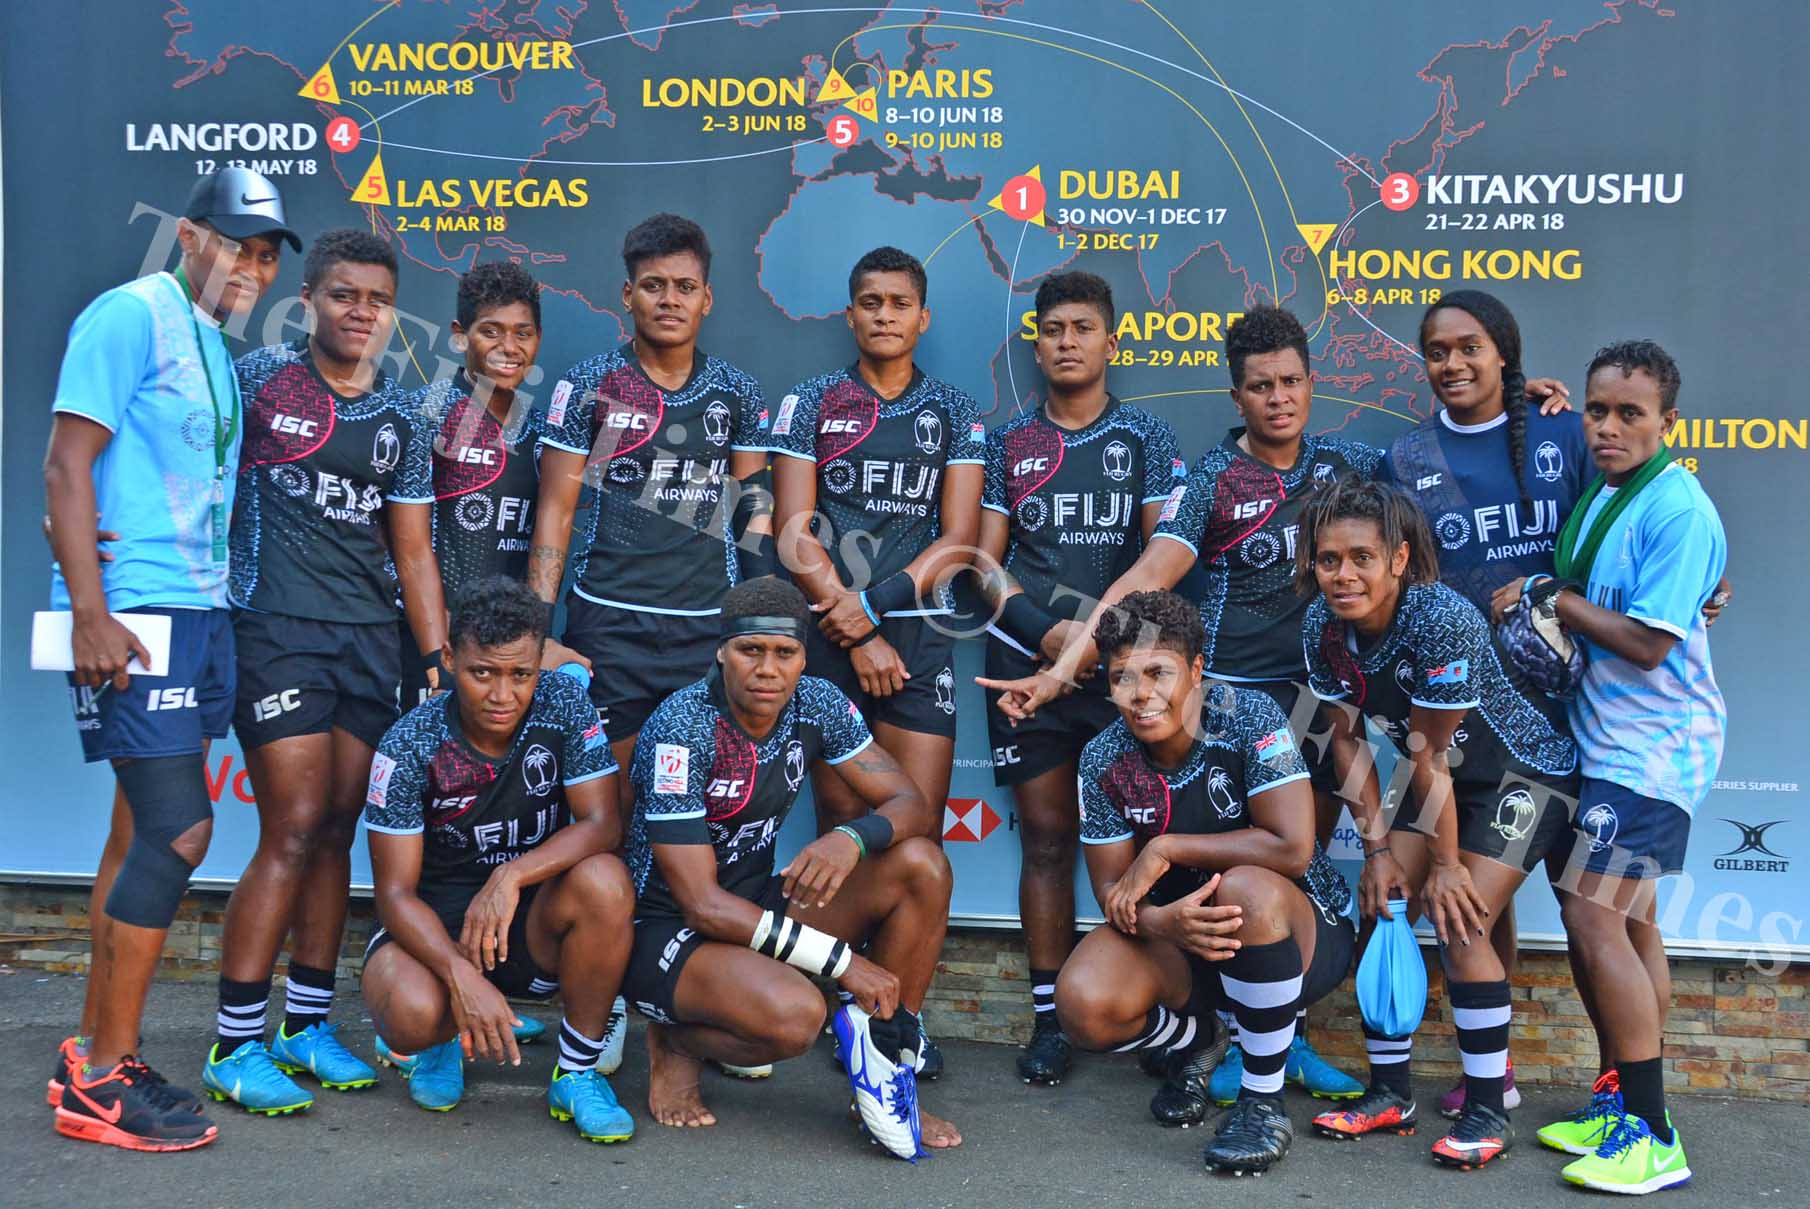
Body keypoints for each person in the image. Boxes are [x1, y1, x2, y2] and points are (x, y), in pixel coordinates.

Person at [983, 305, 1373, 1110]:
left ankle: (1284, 1042)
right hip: (1231, 703)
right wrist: (1064, 668)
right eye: (1261, 386)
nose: (1278, 399)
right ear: (1237, 395)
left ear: (1311, 384)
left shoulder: (1353, 464)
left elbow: (1429, 519)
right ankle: (1230, 1041)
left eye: (1292, 382)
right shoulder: (1209, 479)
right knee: (1229, 872)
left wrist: (1523, 403)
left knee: (1299, 870)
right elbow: (1148, 575)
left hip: (1324, 706)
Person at [41, 167, 296, 1151]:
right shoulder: (129, 313)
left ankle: (98, 1049)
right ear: (191, 236)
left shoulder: (215, 345)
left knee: (131, 831)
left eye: (267, 254)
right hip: (133, 613)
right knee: (179, 834)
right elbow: (67, 463)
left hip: (199, 612)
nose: (251, 265)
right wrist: (93, 610)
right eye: (237, 244)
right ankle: (100, 1082)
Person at [204, 228, 434, 1114]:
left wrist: (437, 656)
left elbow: (412, 551)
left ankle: (304, 1024)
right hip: (275, 630)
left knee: (339, 827)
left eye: (376, 299)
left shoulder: (403, 417)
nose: (360, 312)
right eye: (344, 295)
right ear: (308, 301)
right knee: (293, 825)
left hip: (371, 639)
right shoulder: (256, 381)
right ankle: (234, 1042)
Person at [1489, 341, 1724, 1195]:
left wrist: (1551, 598)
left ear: (1670, 421)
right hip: (1606, 738)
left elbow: (1652, 643)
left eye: (1631, 413)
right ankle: (1625, 1100)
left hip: (1655, 747)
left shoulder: (1680, 507)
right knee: (1631, 923)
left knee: (1593, 918)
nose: (1610, 426)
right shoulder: (1606, 486)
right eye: (1598, 409)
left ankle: (1655, 1137)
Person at [1293, 479, 1579, 1172]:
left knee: (1462, 921)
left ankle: (1487, 1106)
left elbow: (1431, 759)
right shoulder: (1320, 624)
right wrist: (1379, 850)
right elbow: (1347, 744)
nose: (1343, 574)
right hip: (1435, 773)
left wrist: (1447, 867)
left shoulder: (1440, 617)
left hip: (1522, 774)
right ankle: (1391, 1092)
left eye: (1361, 557)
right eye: (1329, 559)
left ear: (1398, 558)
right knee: (1383, 906)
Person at [621, 577, 962, 1155]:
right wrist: (843, 963)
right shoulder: (683, 727)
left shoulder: (818, 700)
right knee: (797, 1019)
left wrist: (852, 838)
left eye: (785, 654)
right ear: (722, 651)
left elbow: (910, 804)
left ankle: (883, 1079)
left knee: (922, 865)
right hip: (665, 928)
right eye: (751, 651)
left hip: (754, 907)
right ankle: (678, 1042)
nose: (768, 670)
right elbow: (701, 903)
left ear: (803, 656)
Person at [385, 261, 609, 1056]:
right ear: (458, 337)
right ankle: (436, 1011)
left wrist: (539, 640)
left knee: (528, 801)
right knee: (432, 820)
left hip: (512, 656)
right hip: (445, 657)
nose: (507, 347)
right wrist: (438, 656)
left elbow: (553, 526)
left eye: (522, 334)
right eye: (490, 332)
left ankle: (537, 975)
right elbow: (411, 546)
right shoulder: (430, 417)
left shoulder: (546, 422)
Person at [769, 246, 983, 1077]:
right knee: (838, 838)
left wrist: (881, 605)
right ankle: (836, 1006)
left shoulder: (955, 410)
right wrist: (855, 630)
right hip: (829, 636)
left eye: (899, 302)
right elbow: (794, 528)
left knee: (915, 828)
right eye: (870, 302)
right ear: (850, 315)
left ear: (921, 317)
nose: (885, 314)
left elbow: (959, 539)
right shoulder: (813, 402)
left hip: (920, 634)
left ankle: (899, 1021)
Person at [1055, 590, 1356, 1177]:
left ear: (1196, 670)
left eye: (1159, 673)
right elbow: (1113, 895)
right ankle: (1201, 1040)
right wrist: (1165, 923)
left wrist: (1167, 848)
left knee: (1245, 887)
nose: (1141, 695)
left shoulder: (1246, 715)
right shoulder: (1102, 758)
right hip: (1186, 940)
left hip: (1298, 935)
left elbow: (1292, 849)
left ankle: (1261, 1104)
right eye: (1122, 678)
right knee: (1084, 1003)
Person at [972, 270, 1183, 1086]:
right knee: (1050, 839)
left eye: (1082, 327)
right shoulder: (1009, 443)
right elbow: (982, 564)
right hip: (1024, 660)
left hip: (1124, 670)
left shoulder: (1147, 439)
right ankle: (1053, 1015)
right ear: (1038, 341)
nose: (1067, 340)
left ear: (1111, 341)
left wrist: (1097, 646)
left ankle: (1169, 1016)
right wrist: (1046, 632)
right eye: (1053, 328)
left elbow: (1163, 565)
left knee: (1154, 843)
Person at [1379, 289, 1586, 1116]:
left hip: (1568, 721)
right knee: (1467, 903)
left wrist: (1699, 589)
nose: (1454, 363)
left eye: (1472, 347)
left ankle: (1624, 1092)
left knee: (1599, 912)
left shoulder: (1564, 431)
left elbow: (1626, 524)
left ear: (1506, 352)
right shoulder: (1403, 457)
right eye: (1438, 351)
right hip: (1461, 728)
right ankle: (1490, 1075)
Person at [359, 577, 636, 1139]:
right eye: (481, 673)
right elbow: (393, 894)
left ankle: (577, 1071)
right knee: (412, 1014)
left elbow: (602, 824)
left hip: (528, 919)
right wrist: (460, 973)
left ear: (540, 664)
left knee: (605, 880)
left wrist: (510, 876)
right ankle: (439, 1044)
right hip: (435, 926)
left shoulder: (562, 701)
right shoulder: (410, 743)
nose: (501, 694)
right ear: (449, 659)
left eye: (520, 674)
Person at [528, 213, 771, 827]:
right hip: (610, 627)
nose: (669, 299)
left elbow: (754, 515)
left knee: (697, 814)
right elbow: (555, 512)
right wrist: (535, 631)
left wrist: (763, 620)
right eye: (654, 284)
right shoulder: (588, 384)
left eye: (684, 287)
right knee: (608, 817)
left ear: (707, 299)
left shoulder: (737, 392)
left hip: (704, 632)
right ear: (627, 294)